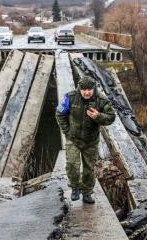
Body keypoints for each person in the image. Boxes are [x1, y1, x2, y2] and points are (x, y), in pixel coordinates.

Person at [56, 76, 116, 204]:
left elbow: (111, 117)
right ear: (80, 88)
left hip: (91, 141)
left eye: (89, 89)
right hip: (73, 139)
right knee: (72, 165)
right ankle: (75, 187)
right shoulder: (70, 97)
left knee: (89, 169)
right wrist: (67, 131)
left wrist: (98, 116)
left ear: (93, 89)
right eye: (84, 89)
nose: (87, 92)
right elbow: (60, 113)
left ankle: (87, 192)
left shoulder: (101, 100)